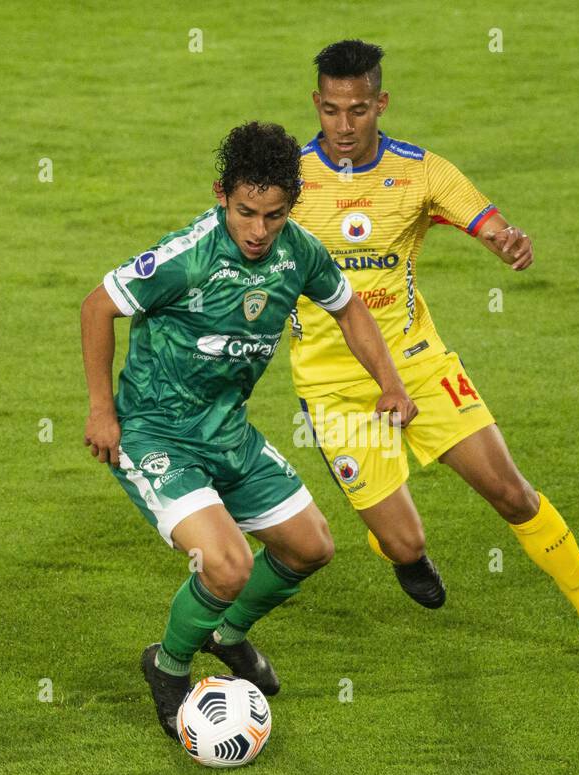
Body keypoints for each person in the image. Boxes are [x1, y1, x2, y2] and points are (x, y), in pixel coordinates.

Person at [288, 40, 579, 666]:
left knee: (512, 493)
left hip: (419, 364)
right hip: (333, 388)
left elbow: (487, 222)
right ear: (316, 104)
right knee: (404, 542)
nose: (344, 126)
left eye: (358, 110)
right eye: (330, 111)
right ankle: (406, 558)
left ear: (380, 102)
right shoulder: (291, 178)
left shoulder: (420, 171)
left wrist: (507, 243)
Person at [80, 121, 418, 740]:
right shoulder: (189, 255)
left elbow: (349, 308)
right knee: (227, 565)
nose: (258, 231)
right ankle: (168, 664)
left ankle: (224, 634)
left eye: (273, 214)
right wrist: (103, 410)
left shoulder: (300, 251)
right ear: (221, 194)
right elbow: (97, 305)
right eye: (245, 213)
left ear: (292, 205)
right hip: (155, 432)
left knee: (311, 546)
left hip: (226, 430)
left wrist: (390, 384)